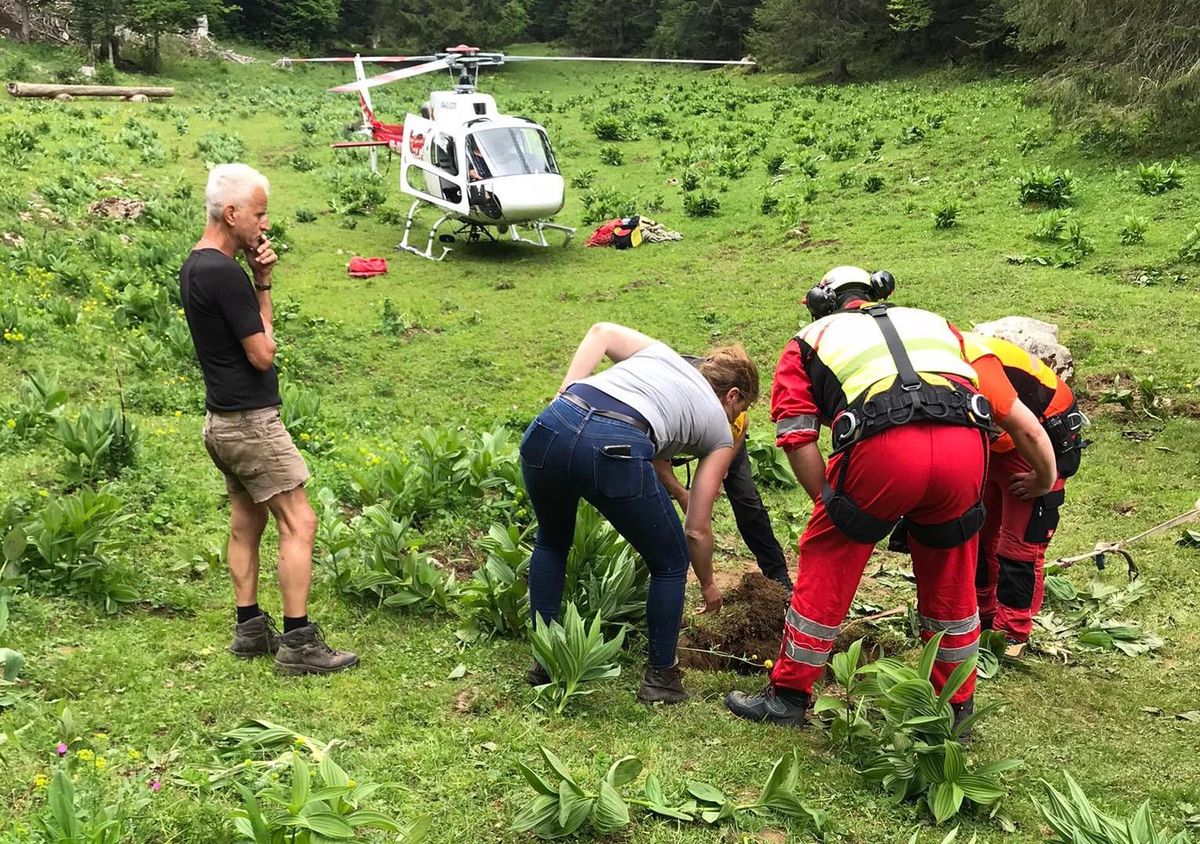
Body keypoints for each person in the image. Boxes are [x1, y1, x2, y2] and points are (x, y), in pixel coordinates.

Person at [723, 266, 1056, 729]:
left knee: (828, 559)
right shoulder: (936, 324)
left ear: (822, 301)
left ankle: (788, 697)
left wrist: (829, 502)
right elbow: (1016, 417)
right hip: (966, 451)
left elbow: (797, 437)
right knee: (952, 576)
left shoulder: (809, 339)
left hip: (880, 450)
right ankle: (955, 709)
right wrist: (1045, 478)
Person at [180, 163, 357, 676]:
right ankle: (299, 642)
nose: (263, 224)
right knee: (300, 521)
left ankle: (250, 628)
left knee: (246, 521)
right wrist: (261, 287)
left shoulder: (195, 265)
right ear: (231, 212)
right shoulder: (223, 274)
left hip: (219, 421)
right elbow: (262, 352)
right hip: (251, 424)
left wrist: (259, 277)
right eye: (259, 213)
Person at [520, 323, 759, 704]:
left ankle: (544, 661)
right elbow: (696, 530)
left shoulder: (662, 354)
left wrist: (563, 391)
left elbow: (599, 331)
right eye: (741, 410)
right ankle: (661, 679)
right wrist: (709, 583)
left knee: (552, 540)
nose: (737, 420)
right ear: (733, 396)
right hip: (613, 445)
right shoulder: (719, 431)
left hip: (550, 426)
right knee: (669, 560)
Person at [962, 332, 1084, 645]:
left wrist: (1044, 480)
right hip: (995, 435)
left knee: (1020, 543)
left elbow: (1030, 434)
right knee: (978, 531)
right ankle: (980, 611)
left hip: (1041, 432)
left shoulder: (976, 363)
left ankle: (1011, 633)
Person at [654, 392, 792, 591]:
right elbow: (655, 459)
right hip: (665, 436)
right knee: (655, 504)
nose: (740, 414)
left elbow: (739, 430)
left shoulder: (735, 417)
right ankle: (667, 578)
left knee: (747, 501)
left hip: (713, 437)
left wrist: (720, 469)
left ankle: (778, 575)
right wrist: (682, 495)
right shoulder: (671, 414)